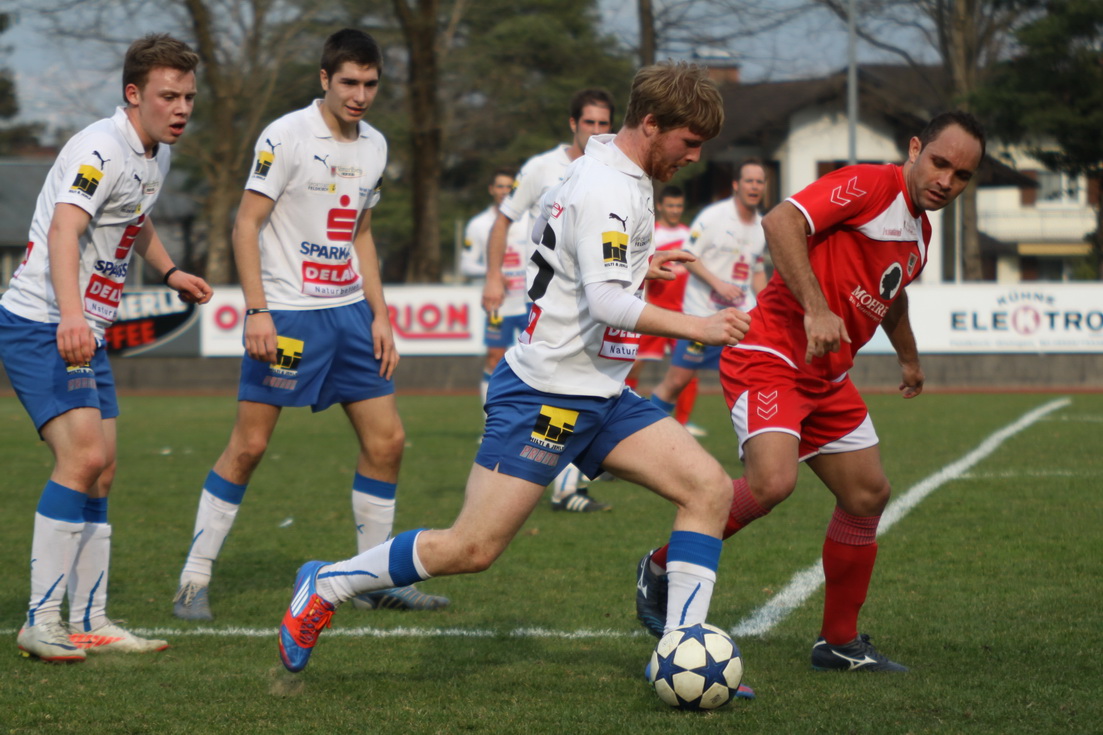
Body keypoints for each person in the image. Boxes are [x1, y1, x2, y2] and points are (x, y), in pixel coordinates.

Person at [276, 61, 752, 677]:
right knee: (471, 548)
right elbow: (606, 303)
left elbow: (563, 249)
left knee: (709, 489)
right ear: (653, 123)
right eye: (689, 142)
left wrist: (640, 264)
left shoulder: (611, 168)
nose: (694, 156)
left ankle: (683, 653)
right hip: (545, 393)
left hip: (602, 391)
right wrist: (700, 326)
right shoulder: (606, 186)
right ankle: (328, 583)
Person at [635, 111, 987, 673]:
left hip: (827, 376)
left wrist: (909, 357)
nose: (947, 180)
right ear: (915, 149)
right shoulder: (871, 184)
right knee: (773, 483)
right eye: (940, 163)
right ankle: (661, 565)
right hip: (771, 353)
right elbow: (781, 222)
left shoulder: (919, 234)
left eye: (962, 174)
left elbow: (890, 294)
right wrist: (817, 308)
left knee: (867, 495)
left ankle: (838, 644)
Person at [172, 28, 448, 621]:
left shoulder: (376, 145)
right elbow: (245, 225)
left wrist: (381, 315)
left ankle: (375, 580)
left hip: (351, 315)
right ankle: (193, 580)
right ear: (325, 79)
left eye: (370, 84)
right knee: (249, 446)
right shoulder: (286, 135)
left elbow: (361, 234)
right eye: (348, 82)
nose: (360, 95)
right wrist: (257, 310)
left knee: (387, 442)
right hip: (290, 316)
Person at [0, 34, 212, 662]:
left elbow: (133, 217)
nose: (181, 108)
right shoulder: (100, 147)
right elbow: (66, 229)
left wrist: (170, 271)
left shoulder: (155, 154)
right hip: (44, 322)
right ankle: (41, 620)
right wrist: (71, 316)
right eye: (168, 96)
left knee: (104, 466)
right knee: (83, 457)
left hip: (84, 329)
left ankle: (90, 620)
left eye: (188, 97)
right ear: (133, 94)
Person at [481, 88, 616, 512]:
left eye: (604, 123)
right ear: (573, 124)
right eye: (589, 122)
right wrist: (493, 276)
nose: (596, 130)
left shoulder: (615, 169)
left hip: (599, 300)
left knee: (591, 385)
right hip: (547, 301)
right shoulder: (542, 168)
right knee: (553, 387)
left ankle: (561, 483)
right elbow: (503, 220)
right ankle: (519, 463)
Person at [647, 159, 768, 436]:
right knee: (676, 381)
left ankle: (756, 442)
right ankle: (645, 434)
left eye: (760, 182)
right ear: (736, 185)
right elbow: (688, 257)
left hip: (740, 318)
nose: (754, 186)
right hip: (702, 316)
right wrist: (719, 285)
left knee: (756, 380)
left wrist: (766, 309)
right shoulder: (714, 216)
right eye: (749, 181)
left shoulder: (762, 225)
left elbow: (757, 270)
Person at [624, 185, 702, 434]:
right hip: (655, 311)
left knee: (687, 367)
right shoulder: (651, 235)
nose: (675, 210)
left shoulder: (689, 236)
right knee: (634, 364)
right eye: (670, 205)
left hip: (683, 313)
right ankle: (623, 416)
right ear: (660, 206)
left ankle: (684, 422)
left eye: (679, 206)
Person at [459, 169, 531, 409]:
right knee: (494, 358)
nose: (504, 191)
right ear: (491, 190)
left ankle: (529, 418)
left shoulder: (529, 219)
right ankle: (490, 421)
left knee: (536, 361)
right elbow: (466, 264)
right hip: (499, 305)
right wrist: (493, 273)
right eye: (499, 186)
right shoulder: (479, 224)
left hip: (530, 303)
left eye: (509, 187)